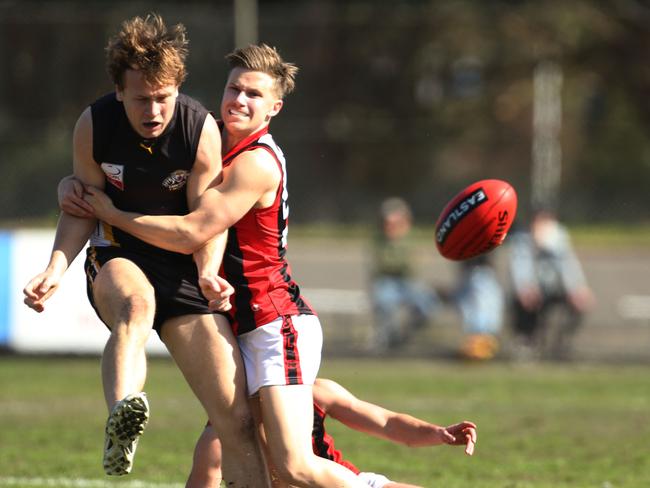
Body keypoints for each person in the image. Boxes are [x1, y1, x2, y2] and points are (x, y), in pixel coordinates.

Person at [82, 43, 368, 487]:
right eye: (234, 88)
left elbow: (194, 230)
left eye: (254, 94)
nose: (239, 100)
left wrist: (112, 214)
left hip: (274, 322)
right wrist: (74, 183)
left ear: (275, 106)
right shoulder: (205, 134)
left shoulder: (256, 163)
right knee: (219, 453)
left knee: (294, 465)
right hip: (235, 316)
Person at [22, 14, 270, 485]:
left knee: (236, 423)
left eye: (163, 98)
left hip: (181, 263)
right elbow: (80, 205)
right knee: (136, 305)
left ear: (177, 88)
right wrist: (55, 267)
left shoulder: (199, 130)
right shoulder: (94, 125)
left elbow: (206, 220)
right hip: (119, 255)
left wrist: (208, 271)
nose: (154, 111)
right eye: (141, 99)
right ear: (120, 91)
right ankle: (123, 418)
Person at [186, 378, 478, 488]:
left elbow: (387, 423)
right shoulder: (221, 433)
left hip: (349, 483)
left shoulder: (314, 391)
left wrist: (438, 433)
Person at [507, 209, 595, 359]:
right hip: (534, 290)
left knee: (580, 304)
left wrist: (577, 288)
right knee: (523, 303)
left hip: (556, 288)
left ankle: (562, 345)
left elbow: (568, 265)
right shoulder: (522, 240)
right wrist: (525, 287)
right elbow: (520, 266)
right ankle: (527, 342)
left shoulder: (558, 238)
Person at [369, 198, 439, 352]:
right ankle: (388, 338)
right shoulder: (379, 241)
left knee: (428, 304)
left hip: (408, 282)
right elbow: (386, 264)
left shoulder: (410, 238)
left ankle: (407, 333)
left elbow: (412, 266)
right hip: (388, 281)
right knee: (384, 300)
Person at [452, 255, 504, 361]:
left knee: (482, 306)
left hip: (480, 270)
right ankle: (478, 345)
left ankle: (480, 344)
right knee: (477, 307)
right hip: (474, 270)